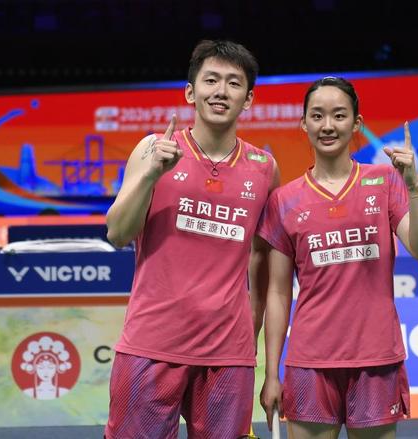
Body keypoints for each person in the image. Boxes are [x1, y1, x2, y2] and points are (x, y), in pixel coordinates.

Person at [104, 39, 279, 438]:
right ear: (190, 91)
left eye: (234, 83)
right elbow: (117, 233)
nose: (221, 91)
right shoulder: (153, 149)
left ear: (248, 99)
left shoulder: (264, 168)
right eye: (211, 80)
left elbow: (263, 257)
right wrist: (151, 175)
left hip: (228, 353)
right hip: (152, 343)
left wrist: (250, 332)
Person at [259, 77, 418, 439]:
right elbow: (277, 292)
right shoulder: (284, 201)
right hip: (310, 363)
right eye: (317, 116)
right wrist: (271, 373)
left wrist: (412, 186)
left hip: (376, 359)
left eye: (339, 115)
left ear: (356, 123)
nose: (328, 125)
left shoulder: (385, 182)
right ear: (303, 123)